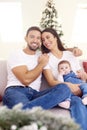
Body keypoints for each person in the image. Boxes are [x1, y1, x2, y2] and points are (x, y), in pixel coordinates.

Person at [41, 27, 87, 130]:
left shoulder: (70, 54)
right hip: (66, 90)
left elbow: (80, 73)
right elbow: (51, 82)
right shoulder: (46, 58)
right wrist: (69, 86)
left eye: (48, 37)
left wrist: (84, 77)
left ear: (55, 37)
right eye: (43, 40)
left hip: (80, 85)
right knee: (78, 104)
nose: (46, 41)